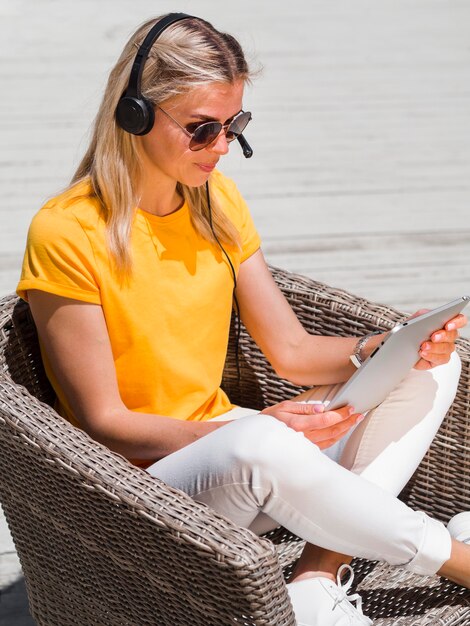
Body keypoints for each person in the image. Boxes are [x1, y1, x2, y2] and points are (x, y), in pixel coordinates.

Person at [16, 12, 470, 626]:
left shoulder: (216, 200)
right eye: (202, 129)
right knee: (259, 438)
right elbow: (106, 423)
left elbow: (290, 351)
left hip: (244, 463)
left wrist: (392, 345)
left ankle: (315, 578)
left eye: (235, 125)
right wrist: (241, 437)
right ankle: (457, 560)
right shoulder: (67, 232)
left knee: (431, 372)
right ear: (136, 115)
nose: (223, 147)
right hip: (152, 489)